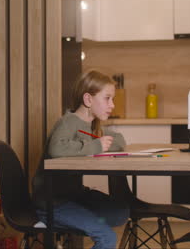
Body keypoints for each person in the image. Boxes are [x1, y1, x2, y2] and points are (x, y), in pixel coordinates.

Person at [32, 70, 129, 249]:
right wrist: (96, 145)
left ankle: (87, 220)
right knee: (107, 237)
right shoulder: (68, 122)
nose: (112, 105)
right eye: (107, 98)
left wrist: (99, 143)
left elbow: (119, 140)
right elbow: (56, 148)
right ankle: (93, 226)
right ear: (88, 100)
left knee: (120, 212)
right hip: (53, 202)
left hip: (74, 195)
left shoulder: (91, 126)